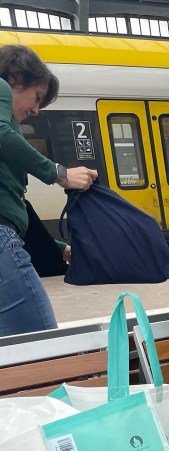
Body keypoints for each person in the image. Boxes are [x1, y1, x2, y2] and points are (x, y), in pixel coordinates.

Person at [0, 45, 96, 336]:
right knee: (40, 339)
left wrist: (57, 248)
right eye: (37, 97)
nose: (36, 110)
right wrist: (60, 174)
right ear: (15, 78)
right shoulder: (1, 87)